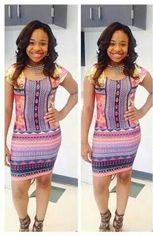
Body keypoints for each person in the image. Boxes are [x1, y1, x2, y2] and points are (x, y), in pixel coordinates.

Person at [5, 20, 78, 232]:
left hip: (49, 137)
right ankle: (24, 222)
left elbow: (75, 93)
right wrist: (3, 142)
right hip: (21, 139)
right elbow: (7, 110)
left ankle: (39, 223)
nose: (37, 48)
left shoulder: (56, 72)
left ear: (49, 46)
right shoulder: (13, 73)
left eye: (43, 43)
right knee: (19, 188)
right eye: (32, 42)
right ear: (24, 44)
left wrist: (62, 113)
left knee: (45, 182)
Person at [81, 22, 153, 232]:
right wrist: (84, 140)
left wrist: (140, 112)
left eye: (123, 44)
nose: (117, 48)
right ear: (105, 45)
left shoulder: (136, 72)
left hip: (129, 134)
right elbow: (87, 108)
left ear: (129, 47)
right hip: (102, 136)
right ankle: (105, 216)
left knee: (124, 176)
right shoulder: (94, 72)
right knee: (100, 183)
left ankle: (120, 217)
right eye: (112, 43)